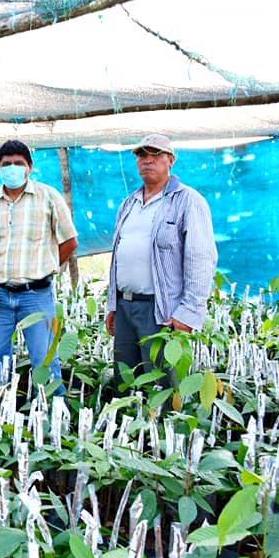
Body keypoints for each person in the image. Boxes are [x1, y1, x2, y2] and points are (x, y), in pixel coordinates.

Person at [105, 134, 217, 390]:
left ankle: (164, 428)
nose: (147, 161)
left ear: (170, 161)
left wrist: (187, 314)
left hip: (162, 311)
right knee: (126, 380)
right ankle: (130, 429)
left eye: (155, 155)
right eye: (142, 156)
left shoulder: (188, 201)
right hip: (125, 307)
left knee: (161, 384)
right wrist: (113, 303)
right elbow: (118, 257)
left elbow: (201, 259)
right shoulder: (129, 203)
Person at [0, 140, 78, 393]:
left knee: (44, 361)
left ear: (29, 167)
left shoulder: (48, 197)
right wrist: (6, 269)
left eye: (18, 163)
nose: (12, 168)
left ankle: (54, 418)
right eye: (6, 164)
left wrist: (47, 266)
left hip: (37, 295)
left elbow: (70, 241)